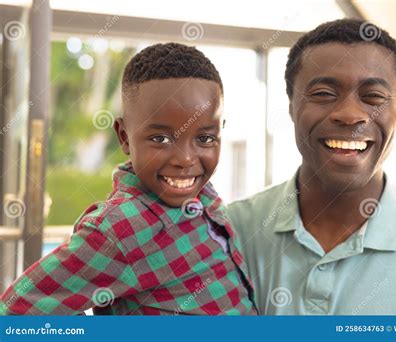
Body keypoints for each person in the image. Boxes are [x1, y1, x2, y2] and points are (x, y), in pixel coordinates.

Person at [227, 19, 396, 315]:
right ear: (291, 106)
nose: (350, 115)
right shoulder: (228, 233)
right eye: (323, 94)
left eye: (373, 98)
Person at [1, 43, 257, 315]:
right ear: (124, 136)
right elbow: (15, 312)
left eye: (205, 138)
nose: (185, 159)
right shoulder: (120, 229)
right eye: (160, 139)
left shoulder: (203, 194)